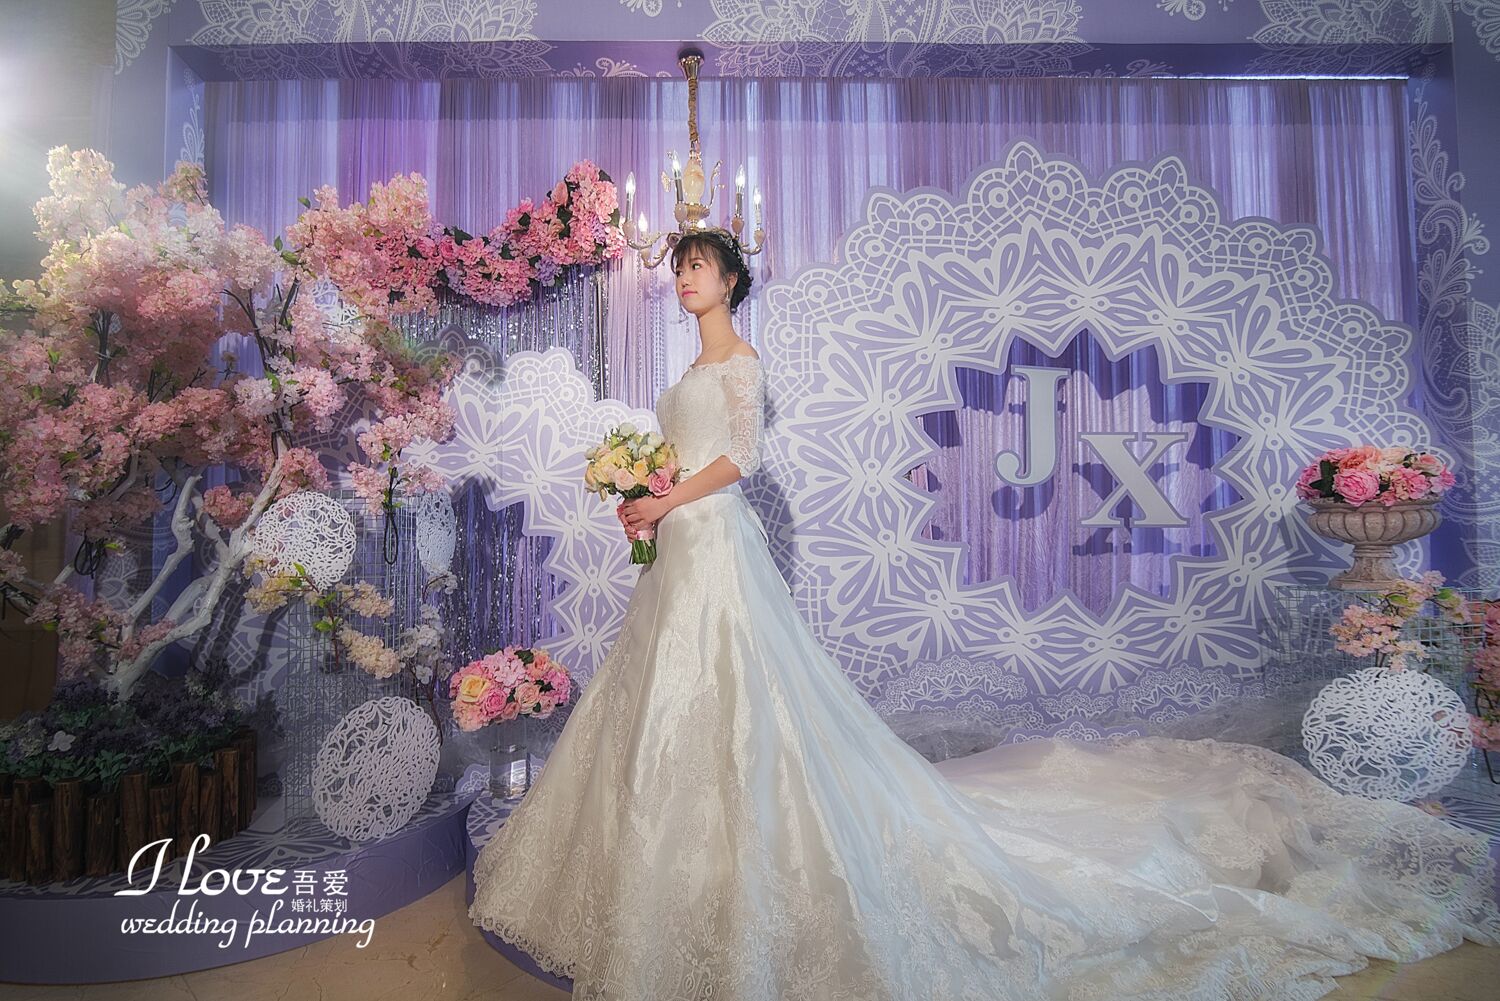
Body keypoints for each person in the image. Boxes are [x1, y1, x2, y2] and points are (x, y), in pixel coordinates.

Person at [468, 227, 1499, 1000]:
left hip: (713, 538)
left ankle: (741, 851)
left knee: (731, 682)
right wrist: (643, 498)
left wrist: (664, 499)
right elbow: (682, 454)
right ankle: (673, 861)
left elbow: (742, 456)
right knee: (663, 689)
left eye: (699, 266)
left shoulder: (740, 364)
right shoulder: (686, 370)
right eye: (680, 268)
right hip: (675, 546)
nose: (684, 278)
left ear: (732, 280)